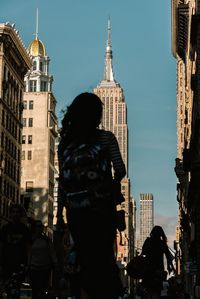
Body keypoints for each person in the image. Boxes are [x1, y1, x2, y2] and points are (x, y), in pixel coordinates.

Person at [58, 92, 126, 299]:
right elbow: (120, 169)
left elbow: (62, 181)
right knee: (103, 258)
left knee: (83, 257)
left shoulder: (65, 144)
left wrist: (59, 216)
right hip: (100, 208)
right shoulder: (106, 138)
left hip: (76, 212)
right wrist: (110, 187)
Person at [0, 204, 30, 298]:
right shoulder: (5, 229)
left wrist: (28, 263)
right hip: (7, 263)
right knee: (8, 288)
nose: (15, 214)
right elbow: (1, 246)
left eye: (17, 212)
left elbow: (28, 247)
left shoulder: (24, 229)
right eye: (14, 212)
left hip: (20, 264)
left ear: (20, 214)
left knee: (17, 289)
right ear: (10, 214)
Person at [141, 225, 175, 299]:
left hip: (148, 270)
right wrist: (171, 267)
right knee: (157, 291)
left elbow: (143, 253)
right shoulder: (162, 243)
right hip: (159, 270)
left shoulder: (148, 241)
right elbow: (168, 256)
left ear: (152, 233)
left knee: (149, 290)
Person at [28, 220, 58, 299]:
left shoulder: (47, 240)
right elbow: (29, 253)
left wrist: (55, 264)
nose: (39, 229)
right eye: (37, 227)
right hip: (34, 268)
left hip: (45, 268)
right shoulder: (31, 240)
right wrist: (28, 265)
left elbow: (52, 252)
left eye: (40, 227)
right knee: (34, 290)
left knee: (42, 290)